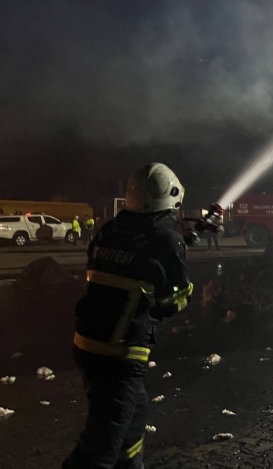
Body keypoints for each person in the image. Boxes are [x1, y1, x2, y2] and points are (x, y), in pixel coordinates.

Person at [63, 162, 194, 469]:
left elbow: (129, 266)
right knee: (100, 449)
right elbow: (170, 301)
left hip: (87, 342)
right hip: (119, 353)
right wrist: (178, 260)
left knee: (133, 421)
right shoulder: (166, 239)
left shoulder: (110, 229)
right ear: (172, 197)